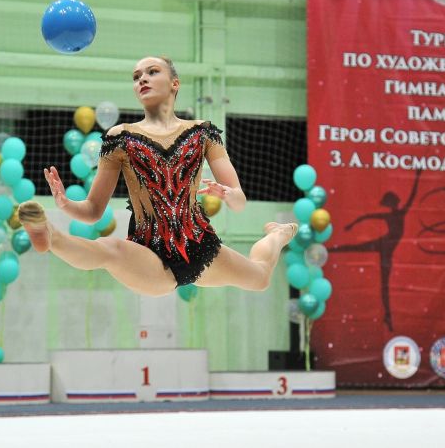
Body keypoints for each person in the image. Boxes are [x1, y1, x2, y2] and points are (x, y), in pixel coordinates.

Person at [17, 56, 298, 297]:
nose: (142, 79)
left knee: (260, 278)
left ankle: (277, 235)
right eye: (137, 76)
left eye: (152, 72)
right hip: (148, 252)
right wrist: (66, 205)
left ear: (175, 83)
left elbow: (239, 202)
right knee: (109, 250)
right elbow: (92, 212)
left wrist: (228, 194)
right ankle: (49, 235)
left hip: (200, 246)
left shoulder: (203, 133)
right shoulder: (119, 138)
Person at [329, 170, 422, 331]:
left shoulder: (400, 213)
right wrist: (352, 224)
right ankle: (329, 250)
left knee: (384, 283)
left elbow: (413, 195)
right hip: (383, 244)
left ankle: (388, 316)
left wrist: (418, 177)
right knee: (355, 249)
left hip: (386, 248)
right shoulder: (390, 216)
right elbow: (367, 217)